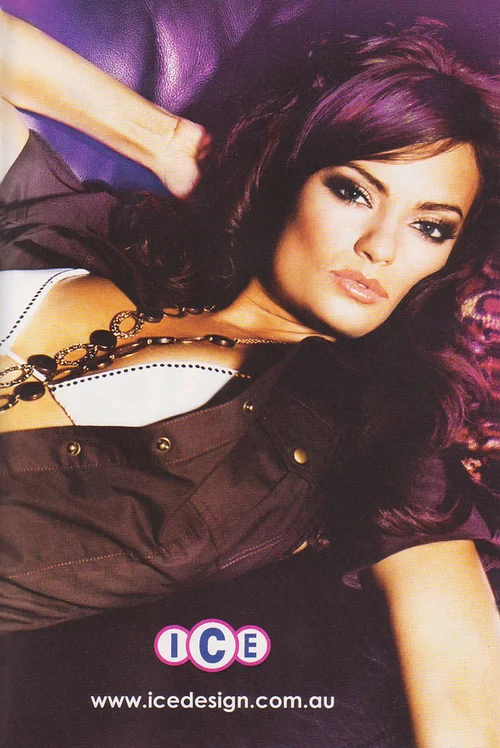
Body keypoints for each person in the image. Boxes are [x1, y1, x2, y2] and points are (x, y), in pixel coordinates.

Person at [1, 11, 500, 745]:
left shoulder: (370, 430)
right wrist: (167, 142)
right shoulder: (98, 233)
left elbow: (461, 696)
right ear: (291, 177)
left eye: (431, 226)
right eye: (354, 191)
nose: (381, 247)